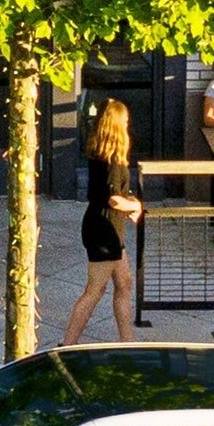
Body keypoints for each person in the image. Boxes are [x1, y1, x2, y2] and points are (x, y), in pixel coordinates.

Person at [60, 99, 142, 346]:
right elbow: (115, 200)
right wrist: (136, 206)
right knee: (95, 290)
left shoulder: (101, 154)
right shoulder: (113, 160)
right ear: (118, 125)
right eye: (125, 121)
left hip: (108, 228)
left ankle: (127, 341)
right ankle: (68, 344)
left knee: (124, 282)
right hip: (104, 231)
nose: (128, 125)